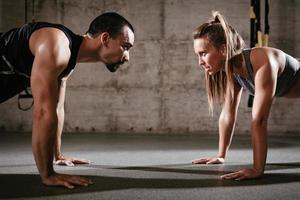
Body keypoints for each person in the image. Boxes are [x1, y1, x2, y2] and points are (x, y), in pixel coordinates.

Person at [0, 12, 135, 188]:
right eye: (125, 47)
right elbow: (42, 113)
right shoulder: (57, 46)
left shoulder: (67, 60)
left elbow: (56, 109)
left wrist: (57, 155)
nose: (127, 56)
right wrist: (47, 174)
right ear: (105, 38)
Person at [191, 11, 300, 180]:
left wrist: (257, 170)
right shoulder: (232, 71)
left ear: (223, 49)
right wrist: (221, 155)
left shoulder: (263, 61)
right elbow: (228, 114)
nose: (200, 62)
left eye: (203, 53)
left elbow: (260, 120)